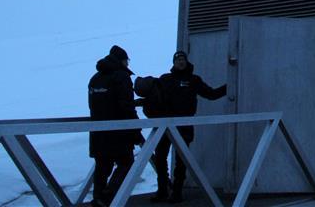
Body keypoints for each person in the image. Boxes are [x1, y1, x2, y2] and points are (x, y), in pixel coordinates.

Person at [151, 50, 226, 203]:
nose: (181, 62)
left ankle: (177, 192)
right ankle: (162, 191)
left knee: (181, 160)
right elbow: (153, 97)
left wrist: (230, 86)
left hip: (184, 125)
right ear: (173, 62)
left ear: (186, 61)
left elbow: (211, 94)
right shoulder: (165, 79)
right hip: (165, 125)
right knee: (160, 157)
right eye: (178, 59)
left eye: (183, 59)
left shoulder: (193, 80)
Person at [88, 45, 144, 207]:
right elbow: (126, 106)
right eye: (127, 60)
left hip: (98, 131)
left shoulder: (95, 78)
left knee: (102, 167)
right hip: (119, 133)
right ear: (122, 60)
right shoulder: (121, 77)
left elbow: (93, 105)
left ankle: (98, 199)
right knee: (126, 164)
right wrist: (135, 130)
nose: (128, 63)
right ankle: (108, 198)